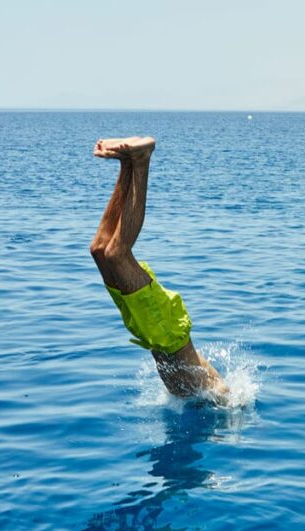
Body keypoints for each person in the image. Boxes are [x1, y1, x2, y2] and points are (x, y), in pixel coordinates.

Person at [91, 136, 228, 402]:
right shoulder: (216, 394)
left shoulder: (205, 382)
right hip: (165, 333)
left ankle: (127, 165)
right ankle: (142, 161)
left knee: (100, 249)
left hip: (152, 332)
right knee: (117, 254)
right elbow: (227, 397)